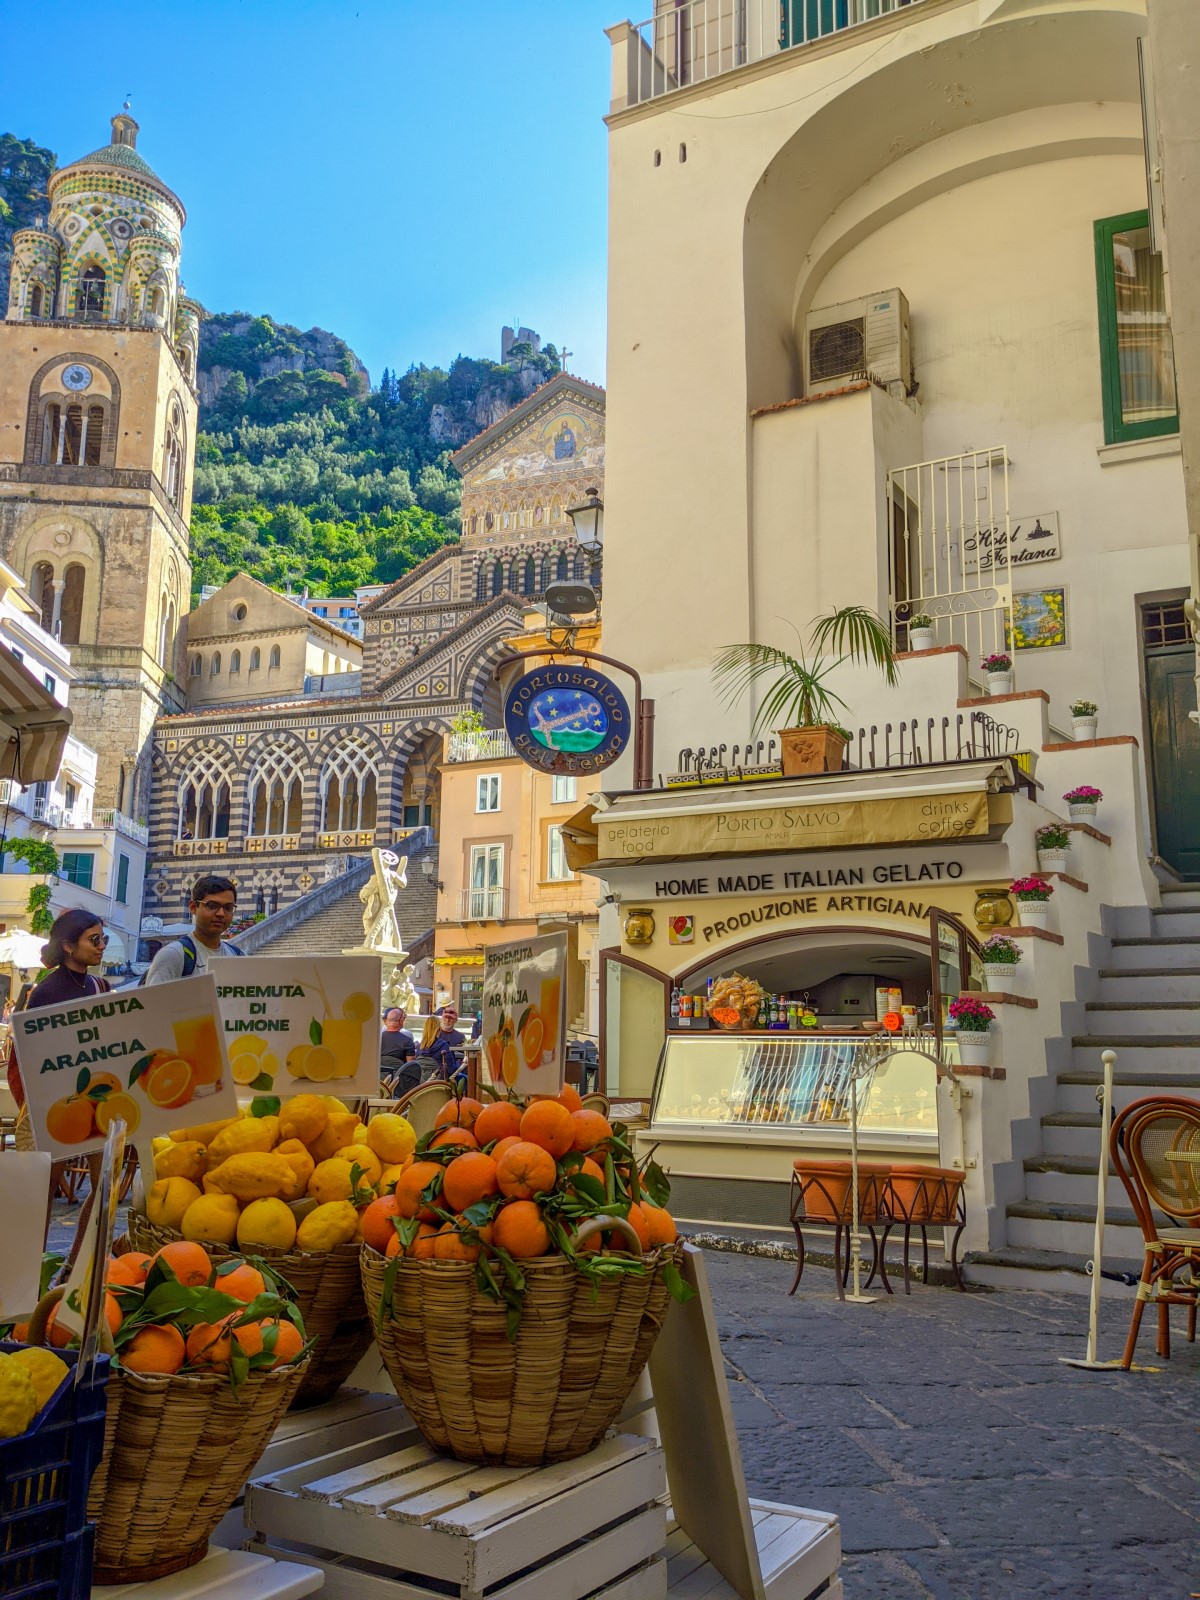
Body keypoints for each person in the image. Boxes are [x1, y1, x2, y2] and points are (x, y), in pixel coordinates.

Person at [144, 875, 244, 984]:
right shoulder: (173, 955)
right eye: (212, 906)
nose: (221, 913)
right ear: (193, 907)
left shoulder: (239, 956)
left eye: (228, 908)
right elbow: (152, 1001)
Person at [422, 1004, 466, 1080]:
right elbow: (451, 1069)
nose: (447, 1020)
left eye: (450, 1018)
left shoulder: (421, 1045)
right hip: (442, 1079)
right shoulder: (443, 1045)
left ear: (455, 1020)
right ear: (441, 1018)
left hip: (424, 1080)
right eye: (445, 1017)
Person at [380, 1006, 417, 1094]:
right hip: (397, 1085)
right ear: (400, 1021)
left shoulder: (376, 1039)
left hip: (377, 1082)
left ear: (387, 1021)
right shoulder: (407, 1041)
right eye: (404, 1019)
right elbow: (410, 1066)